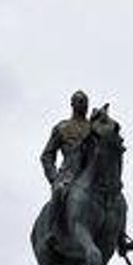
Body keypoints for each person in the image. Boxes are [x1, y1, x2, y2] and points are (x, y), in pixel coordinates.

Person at [38, 90, 92, 249]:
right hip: (68, 176)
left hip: (91, 174)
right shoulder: (62, 128)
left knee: (114, 196)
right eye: (80, 101)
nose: (83, 105)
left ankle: (119, 237)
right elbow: (47, 156)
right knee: (58, 191)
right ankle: (51, 232)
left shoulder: (93, 128)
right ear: (72, 104)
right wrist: (54, 178)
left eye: (85, 102)